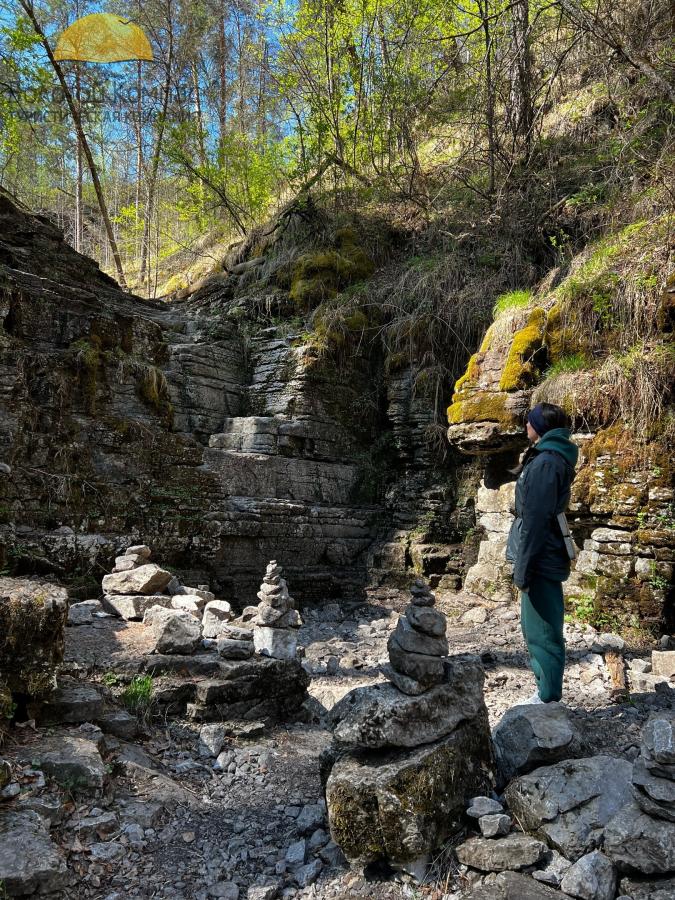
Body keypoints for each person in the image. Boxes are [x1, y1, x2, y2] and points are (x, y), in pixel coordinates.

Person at [506, 402, 579, 704]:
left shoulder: (547, 462)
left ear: (540, 426)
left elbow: (535, 520)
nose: (526, 426)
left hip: (541, 556)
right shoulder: (549, 457)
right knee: (539, 624)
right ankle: (546, 691)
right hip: (543, 554)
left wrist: (523, 569)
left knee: (542, 629)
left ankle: (548, 697)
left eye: (529, 421)